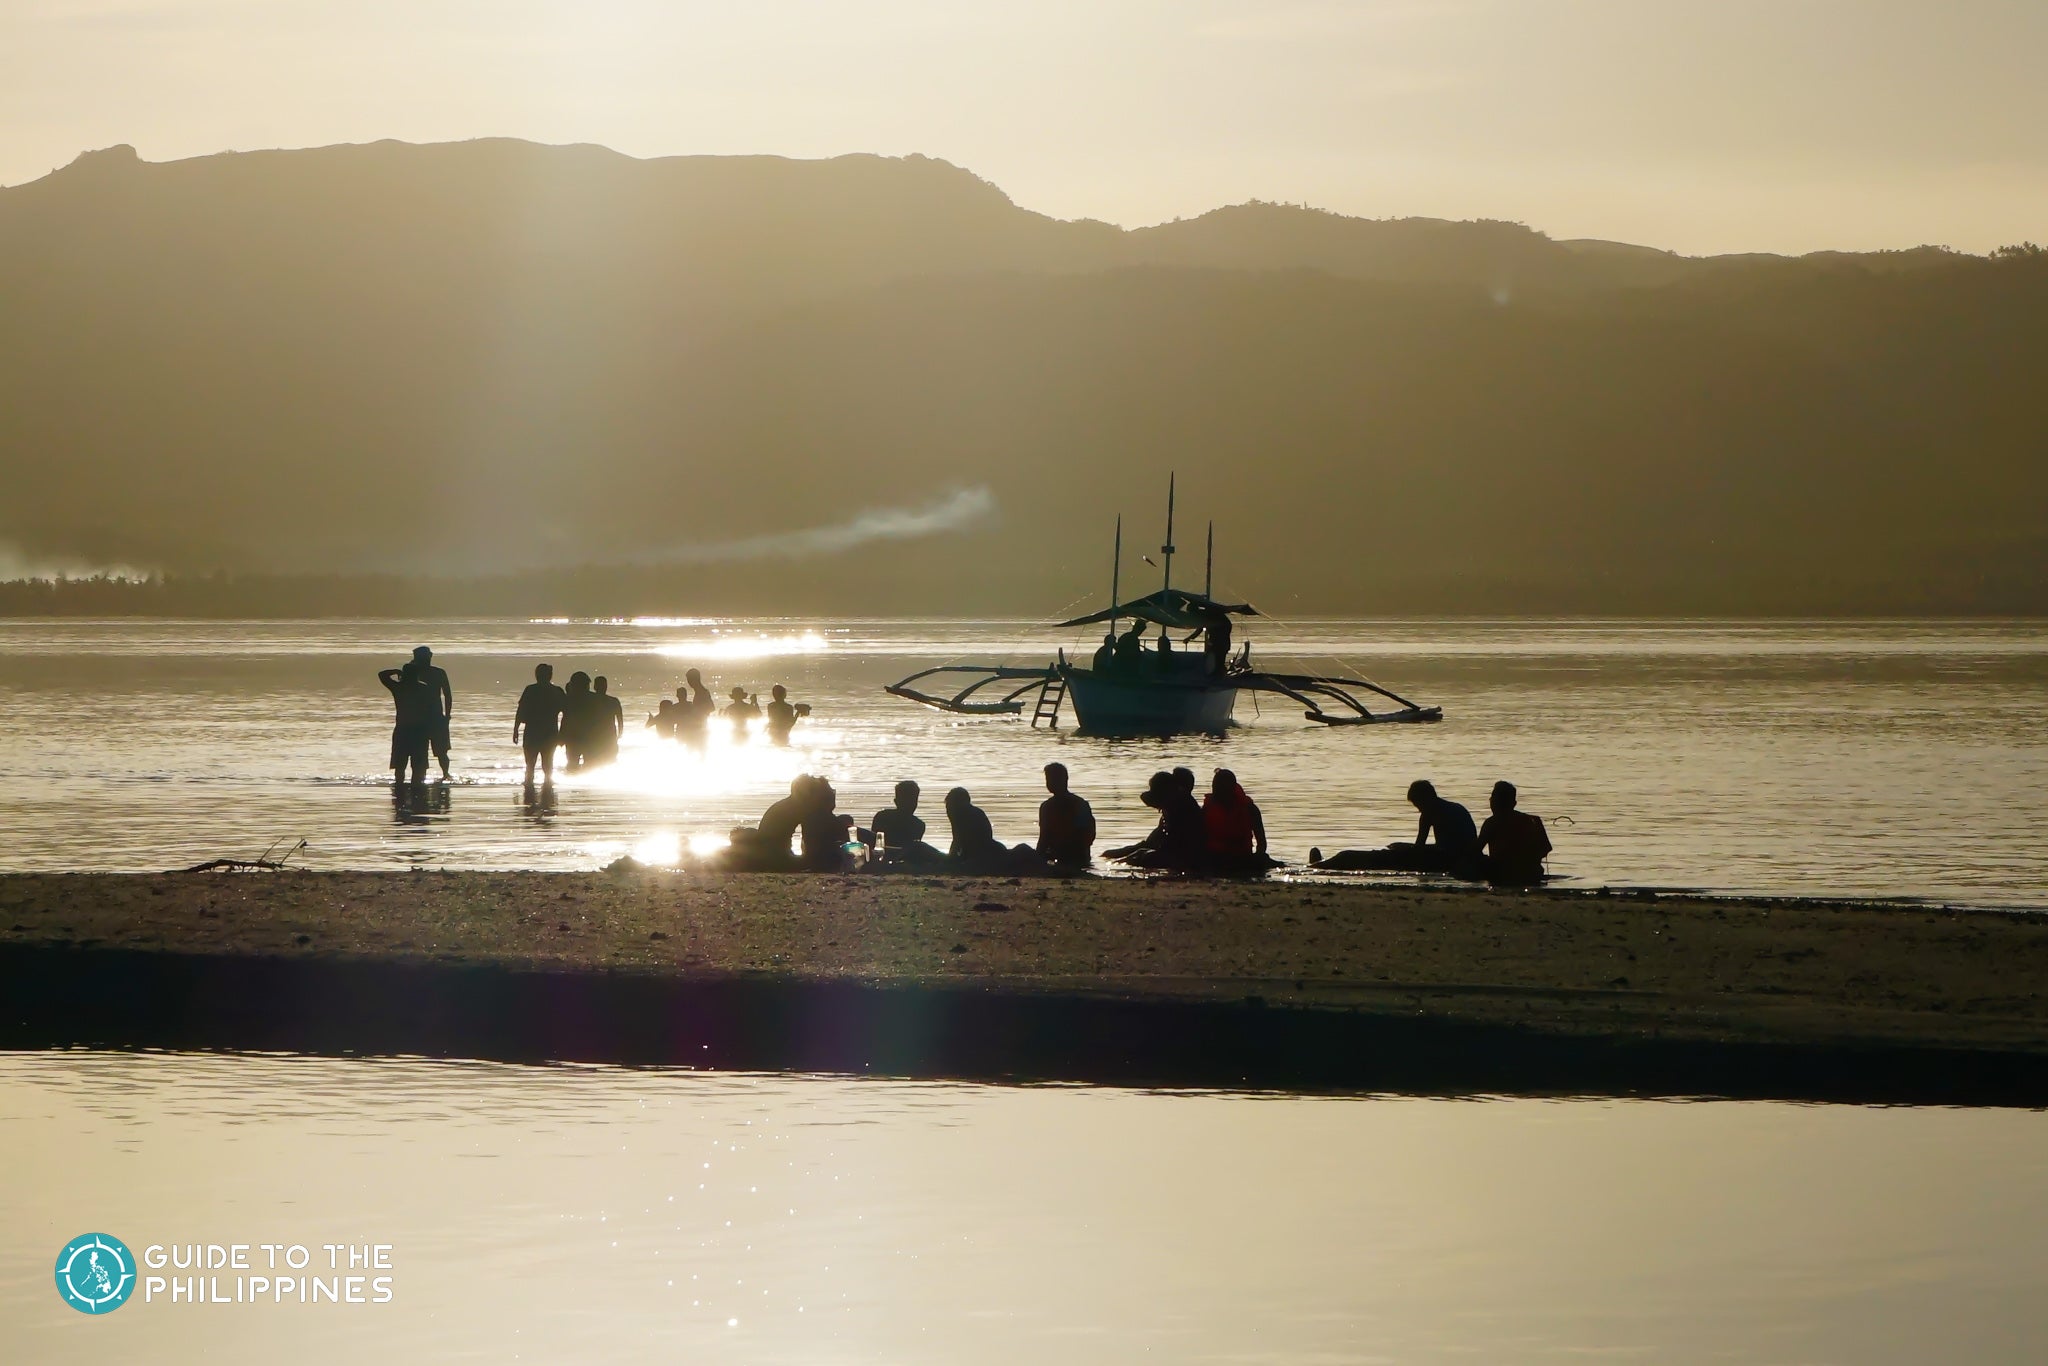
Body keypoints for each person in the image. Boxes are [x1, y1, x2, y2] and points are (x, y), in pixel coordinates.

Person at [1309, 779, 1481, 875]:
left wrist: (1404, 848)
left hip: (1447, 860)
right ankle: (1319, 864)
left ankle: (1317, 866)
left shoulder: (1430, 813)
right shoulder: (1454, 808)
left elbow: (1424, 850)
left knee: (1358, 857)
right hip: (1453, 856)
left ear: (1426, 798)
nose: (1418, 808)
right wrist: (1407, 847)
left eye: (1418, 804)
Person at [726, 775, 813, 869]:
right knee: (806, 863)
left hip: (772, 852)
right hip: (776, 856)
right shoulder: (798, 807)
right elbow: (810, 837)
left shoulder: (786, 805)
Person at [1477, 780, 1553, 885]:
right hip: (1531, 875)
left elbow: (1475, 850)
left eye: (1493, 798)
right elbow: (1546, 848)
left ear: (1493, 801)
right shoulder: (1533, 821)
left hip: (1502, 876)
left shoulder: (1492, 823)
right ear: (1514, 804)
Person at [377, 661, 438, 784]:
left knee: (400, 766)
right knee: (419, 767)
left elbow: (382, 675)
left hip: (403, 730)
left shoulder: (399, 687)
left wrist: (396, 671)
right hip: (419, 731)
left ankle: (400, 790)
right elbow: (432, 710)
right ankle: (418, 791)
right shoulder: (424, 688)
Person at [1202, 768, 1269, 869]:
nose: (1217, 791)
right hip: (1214, 859)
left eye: (1221, 787)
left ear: (1232, 788)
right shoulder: (1207, 809)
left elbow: (1261, 843)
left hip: (1243, 858)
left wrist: (1256, 859)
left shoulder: (1249, 809)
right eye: (1216, 787)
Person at [868, 780, 944, 867]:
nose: (910, 804)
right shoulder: (882, 817)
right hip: (894, 857)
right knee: (920, 847)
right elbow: (874, 843)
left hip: (900, 858)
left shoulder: (918, 825)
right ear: (896, 801)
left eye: (913, 800)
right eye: (907, 800)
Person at [513, 663, 568, 784]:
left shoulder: (531, 690)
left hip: (534, 732)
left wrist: (516, 730)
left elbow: (520, 710)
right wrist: (563, 733)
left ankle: (531, 786)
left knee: (531, 764)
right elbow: (567, 713)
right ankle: (546, 786)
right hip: (548, 731)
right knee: (547, 764)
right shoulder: (556, 691)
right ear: (550, 676)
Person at [1036, 762, 1096, 867]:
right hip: (1080, 856)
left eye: (1051, 779)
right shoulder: (1081, 803)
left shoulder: (1047, 807)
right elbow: (1090, 834)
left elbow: (1043, 839)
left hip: (1062, 855)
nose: (1049, 782)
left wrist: (1036, 859)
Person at [410, 645, 455, 779]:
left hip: (433, 717)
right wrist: (447, 715)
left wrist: (447, 715)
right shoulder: (414, 673)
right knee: (423, 751)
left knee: (441, 750)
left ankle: (445, 774)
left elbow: (447, 695)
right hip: (422, 718)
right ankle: (426, 775)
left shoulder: (437, 672)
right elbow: (447, 695)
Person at [798, 777, 858, 871]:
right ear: (824, 797)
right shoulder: (822, 819)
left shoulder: (813, 817)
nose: (833, 795)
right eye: (831, 792)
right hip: (826, 863)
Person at [561, 671, 598, 770]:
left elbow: (565, 719)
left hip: (574, 736)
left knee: (573, 762)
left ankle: (573, 777)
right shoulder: (594, 698)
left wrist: (561, 735)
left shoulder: (568, 699)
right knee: (589, 763)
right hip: (588, 736)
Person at [590, 675, 625, 765]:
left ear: (594, 687)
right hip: (610, 735)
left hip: (594, 736)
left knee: (594, 762)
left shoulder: (590, 700)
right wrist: (619, 734)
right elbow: (620, 721)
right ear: (606, 686)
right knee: (610, 760)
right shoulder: (613, 701)